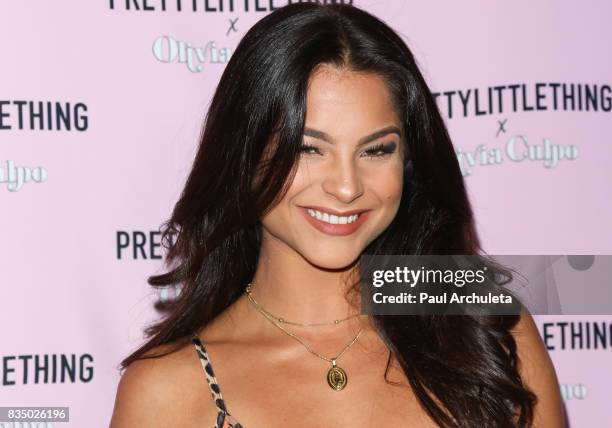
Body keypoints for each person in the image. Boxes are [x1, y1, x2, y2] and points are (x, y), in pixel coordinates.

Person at [110, 3, 566, 427]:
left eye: (376, 149)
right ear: (245, 154)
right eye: (310, 148)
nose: (346, 187)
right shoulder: (167, 391)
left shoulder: (483, 327)